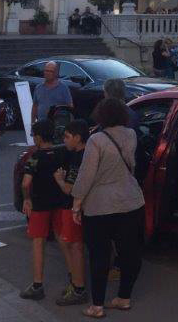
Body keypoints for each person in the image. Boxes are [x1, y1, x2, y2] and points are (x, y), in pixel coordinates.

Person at [72, 98, 146, 316]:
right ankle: (124, 297)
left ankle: (97, 305)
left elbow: (86, 175)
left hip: (100, 205)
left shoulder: (96, 140)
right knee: (130, 252)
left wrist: (77, 203)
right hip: (131, 200)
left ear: (101, 115)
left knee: (99, 255)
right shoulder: (131, 134)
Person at [20, 119, 69, 301]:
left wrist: (27, 198)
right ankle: (74, 278)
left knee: (38, 241)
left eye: (33, 136)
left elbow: (26, 183)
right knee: (63, 238)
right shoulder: (61, 153)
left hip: (40, 204)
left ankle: (37, 284)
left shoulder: (35, 157)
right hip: (59, 202)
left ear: (39, 138)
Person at [53, 119, 89, 306]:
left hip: (72, 207)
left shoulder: (78, 158)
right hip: (78, 207)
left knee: (75, 246)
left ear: (78, 137)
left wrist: (60, 179)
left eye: (67, 137)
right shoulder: (86, 154)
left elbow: (69, 188)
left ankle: (78, 287)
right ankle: (76, 282)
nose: (64, 140)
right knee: (73, 245)